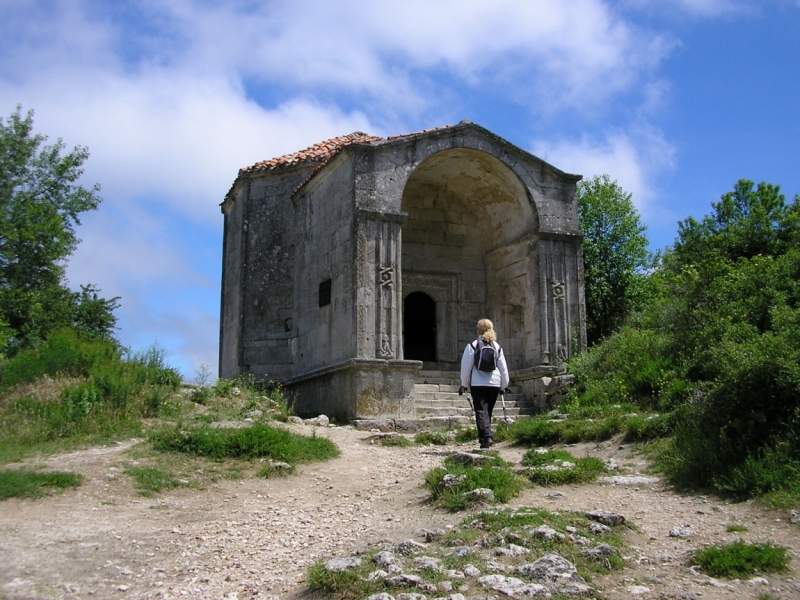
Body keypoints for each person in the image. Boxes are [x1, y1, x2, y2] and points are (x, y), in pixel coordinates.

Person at [459, 318, 509, 448]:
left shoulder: (473, 345)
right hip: (494, 383)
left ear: (479, 330)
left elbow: (466, 367)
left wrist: (464, 384)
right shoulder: (497, 346)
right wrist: (504, 386)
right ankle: (484, 438)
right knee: (487, 411)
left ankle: (487, 437)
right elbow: (503, 368)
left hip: (478, 383)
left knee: (481, 411)